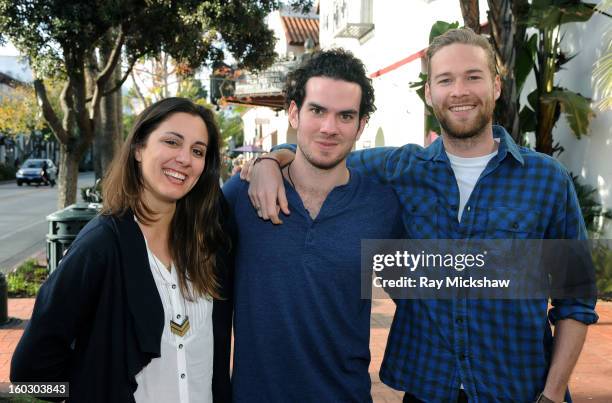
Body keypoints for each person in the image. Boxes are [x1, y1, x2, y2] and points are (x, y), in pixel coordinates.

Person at [244, 28, 598, 402]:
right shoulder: (401, 167)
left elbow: (575, 297)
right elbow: (323, 149)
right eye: (445, 80)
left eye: (473, 77)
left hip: (519, 390)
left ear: (495, 86)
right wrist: (271, 159)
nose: (459, 91)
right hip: (428, 389)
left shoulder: (547, 179)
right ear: (430, 94)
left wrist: (554, 393)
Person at [11, 97, 232, 402]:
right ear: (139, 148)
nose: (184, 158)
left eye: (197, 151)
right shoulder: (100, 246)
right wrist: (89, 390)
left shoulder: (209, 240)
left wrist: (278, 158)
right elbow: (26, 378)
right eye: (171, 142)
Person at [222, 49, 404, 402]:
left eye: (345, 116)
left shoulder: (382, 206)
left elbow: (421, 295)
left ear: (361, 125)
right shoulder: (242, 196)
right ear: (293, 112)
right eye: (317, 111)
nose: (329, 128)